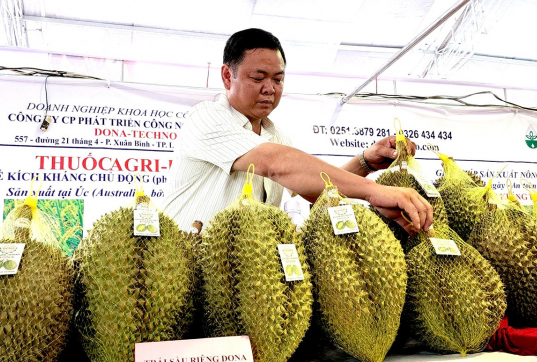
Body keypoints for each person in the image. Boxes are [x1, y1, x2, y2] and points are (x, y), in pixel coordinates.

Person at [163, 28, 433, 235]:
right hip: (185, 267)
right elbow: (275, 164)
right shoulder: (207, 118)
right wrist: (373, 191)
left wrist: (365, 162)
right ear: (226, 76)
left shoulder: (277, 137)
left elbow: (318, 189)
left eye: (278, 79)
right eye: (258, 78)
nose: (270, 88)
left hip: (242, 278)